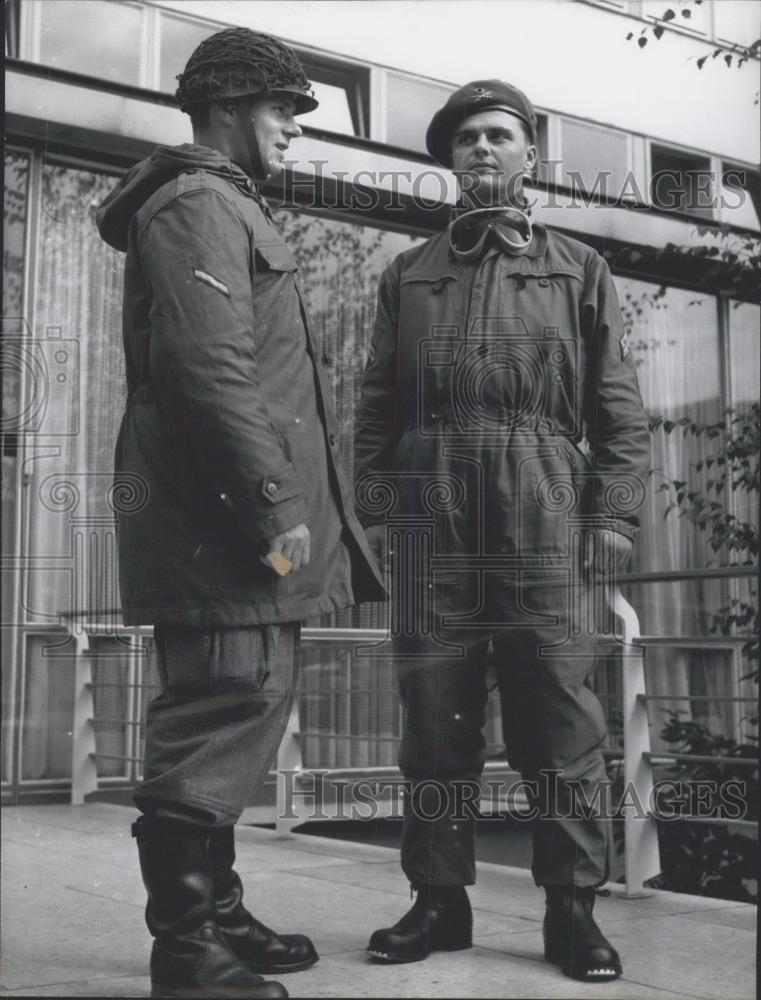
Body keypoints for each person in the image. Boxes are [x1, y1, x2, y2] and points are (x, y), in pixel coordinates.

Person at [97, 27, 386, 1000]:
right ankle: (185, 951)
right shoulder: (195, 205)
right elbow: (209, 370)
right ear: (226, 105)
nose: (294, 133)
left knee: (239, 708)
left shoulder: (216, 204)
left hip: (215, 517)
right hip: (221, 521)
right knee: (222, 705)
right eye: (283, 112)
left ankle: (214, 911)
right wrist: (271, 502)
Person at [354, 79, 650, 983]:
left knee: (558, 714)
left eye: (500, 136)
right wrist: (380, 510)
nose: (482, 149)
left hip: (542, 506)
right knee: (433, 725)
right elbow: (373, 405)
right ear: (449, 158)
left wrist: (610, 513)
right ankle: (438, 900)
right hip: (431, 511)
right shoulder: (407, 274)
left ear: (528, 156)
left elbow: (618, 409)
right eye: (466, 138)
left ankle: (571, 911)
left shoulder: (577, 267)